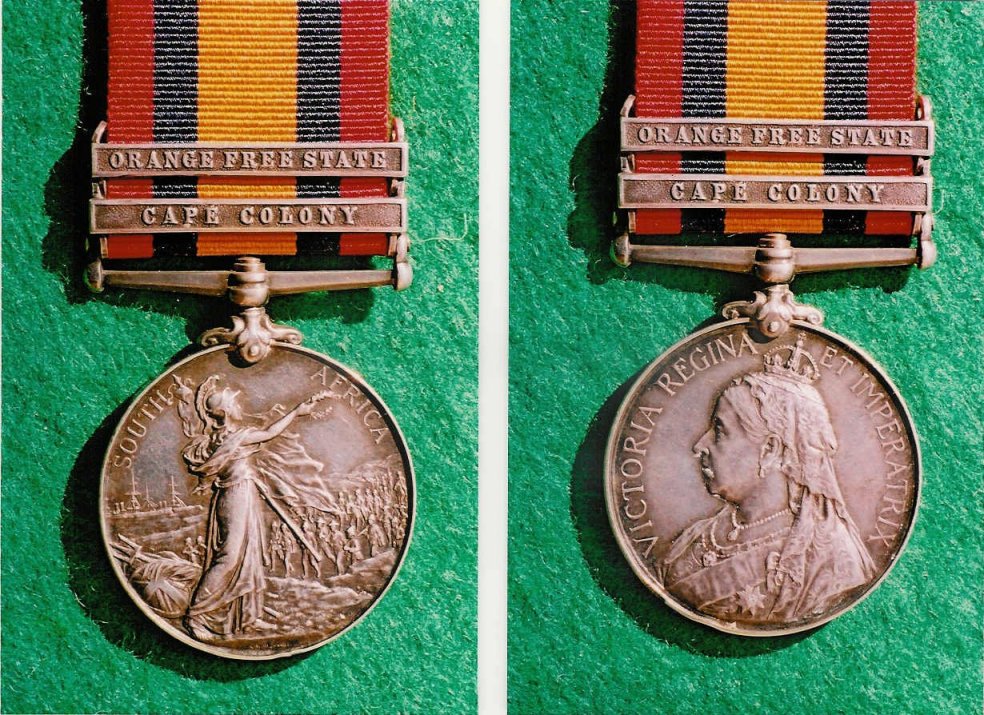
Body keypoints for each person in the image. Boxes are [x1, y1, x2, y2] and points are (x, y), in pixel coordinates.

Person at [659, 337, 875, 624]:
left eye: (720, 431)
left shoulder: (831, 562)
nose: (700, 445)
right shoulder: (695, 539)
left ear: (771, 451)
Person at [174, 375, 330, 641]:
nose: (239, 406)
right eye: (234, 404)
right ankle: (195, 616)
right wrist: (297, 411)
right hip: (234, 494)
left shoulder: (226, 438)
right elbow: (270, 433)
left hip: (243, 492)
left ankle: (247, 618)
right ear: (225, 412)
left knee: (251, 553)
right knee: (230, 556)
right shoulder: (233, 438)